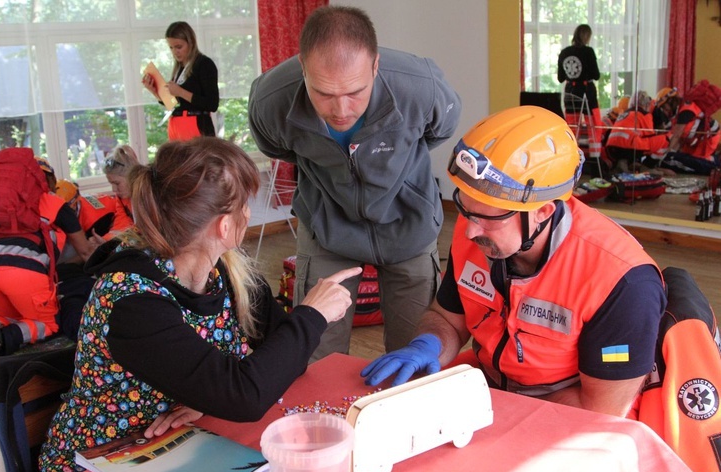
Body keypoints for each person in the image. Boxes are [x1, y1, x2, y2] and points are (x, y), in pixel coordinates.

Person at [36, 137, 360, 472]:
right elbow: (247, 396)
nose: (249, 214)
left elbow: (286, 362)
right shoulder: (132, 302)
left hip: (180, 449)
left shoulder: (227, 273)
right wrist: (312, 315)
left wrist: (204, 391)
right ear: (224, 226)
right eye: (245, 206)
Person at [361, 106, 667, 418]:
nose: (469, 230)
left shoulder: (622, 283)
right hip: (490, 387)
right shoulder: (478, 237)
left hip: (571, 420)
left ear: (543, 212)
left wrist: (499, 415)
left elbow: (600, 410)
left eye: (487, 218)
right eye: (465, 209)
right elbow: (449, 318)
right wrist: (428, 343)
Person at [248, 5, 461, 361]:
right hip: (327, 226)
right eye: (324, 94)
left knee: (414, 354)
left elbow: (439, 132)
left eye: (355, 92)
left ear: (375, 66)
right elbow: (277, 148)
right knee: (316, 354)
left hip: (407, 224)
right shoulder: (272, 101)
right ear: (303, 68)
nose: (342, 110)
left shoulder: (421, 87)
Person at [0, 155, 101, 373]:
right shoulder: (53, 202)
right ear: (48, 181)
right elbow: (86, 252)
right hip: (24, 271)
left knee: (17, 317)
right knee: (50, 324)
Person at [141, 21, 219, 140]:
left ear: (191, 43)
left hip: (196, 125)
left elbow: (212, 104)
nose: (175, 52)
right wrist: (155, 92)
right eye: (171, 47)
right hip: (177, 125)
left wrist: (180, 91)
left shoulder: (204, 64)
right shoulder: (179, 68)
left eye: (179, 47)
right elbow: (175, 103)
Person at [558, 24, 604, 157]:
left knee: (571, 129)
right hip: (586, 93)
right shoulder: (588, 52)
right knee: (594, 125)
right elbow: (596, 75)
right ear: (587, 36)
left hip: (570, 92)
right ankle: (595, 158)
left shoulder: (564, 52)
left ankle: (571, 156)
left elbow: (560, 78)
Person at [605, 90, 670, 172]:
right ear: (647, 104)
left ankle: (623, 162)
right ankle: (647, 167)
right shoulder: (644, 114)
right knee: (665, 140)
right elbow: (649, 136)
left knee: (633, 141)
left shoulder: (624, 114)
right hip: (629, 147)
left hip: (612, 149)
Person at [101, 145, 139, 239]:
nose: (114, 190)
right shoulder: (122, 199)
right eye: (111, 184)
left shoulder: (150, 194)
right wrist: (104, 241)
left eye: (117, 183)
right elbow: (121, 224)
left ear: (131, 176)